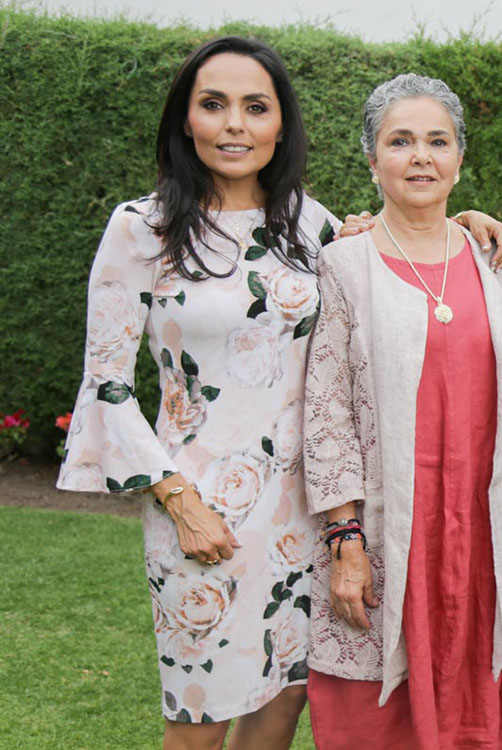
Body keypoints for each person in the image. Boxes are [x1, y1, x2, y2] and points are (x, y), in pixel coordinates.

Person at [57, 36, 337, 750]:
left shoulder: (315, 227)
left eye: (255, 107)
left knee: (283, 704)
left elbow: (400, 258)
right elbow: (107, 382)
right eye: (214, 105)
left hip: (304, 512)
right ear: (186, 120)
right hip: (198, 512)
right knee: (199, 722)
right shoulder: (141, 228)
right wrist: (180, 502)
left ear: (282, 123)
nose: (235, 124)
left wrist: (467, 226)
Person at [301, 72, 502, 750]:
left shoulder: (496, 266)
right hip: (386, 531)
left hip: (481, 533)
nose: (421, 157)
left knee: (481, 708)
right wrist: (345, 541)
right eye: (400, 141)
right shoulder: (344, 266)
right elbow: (326, 413)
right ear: (371, 158)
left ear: (460, 158)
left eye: (438, 141)